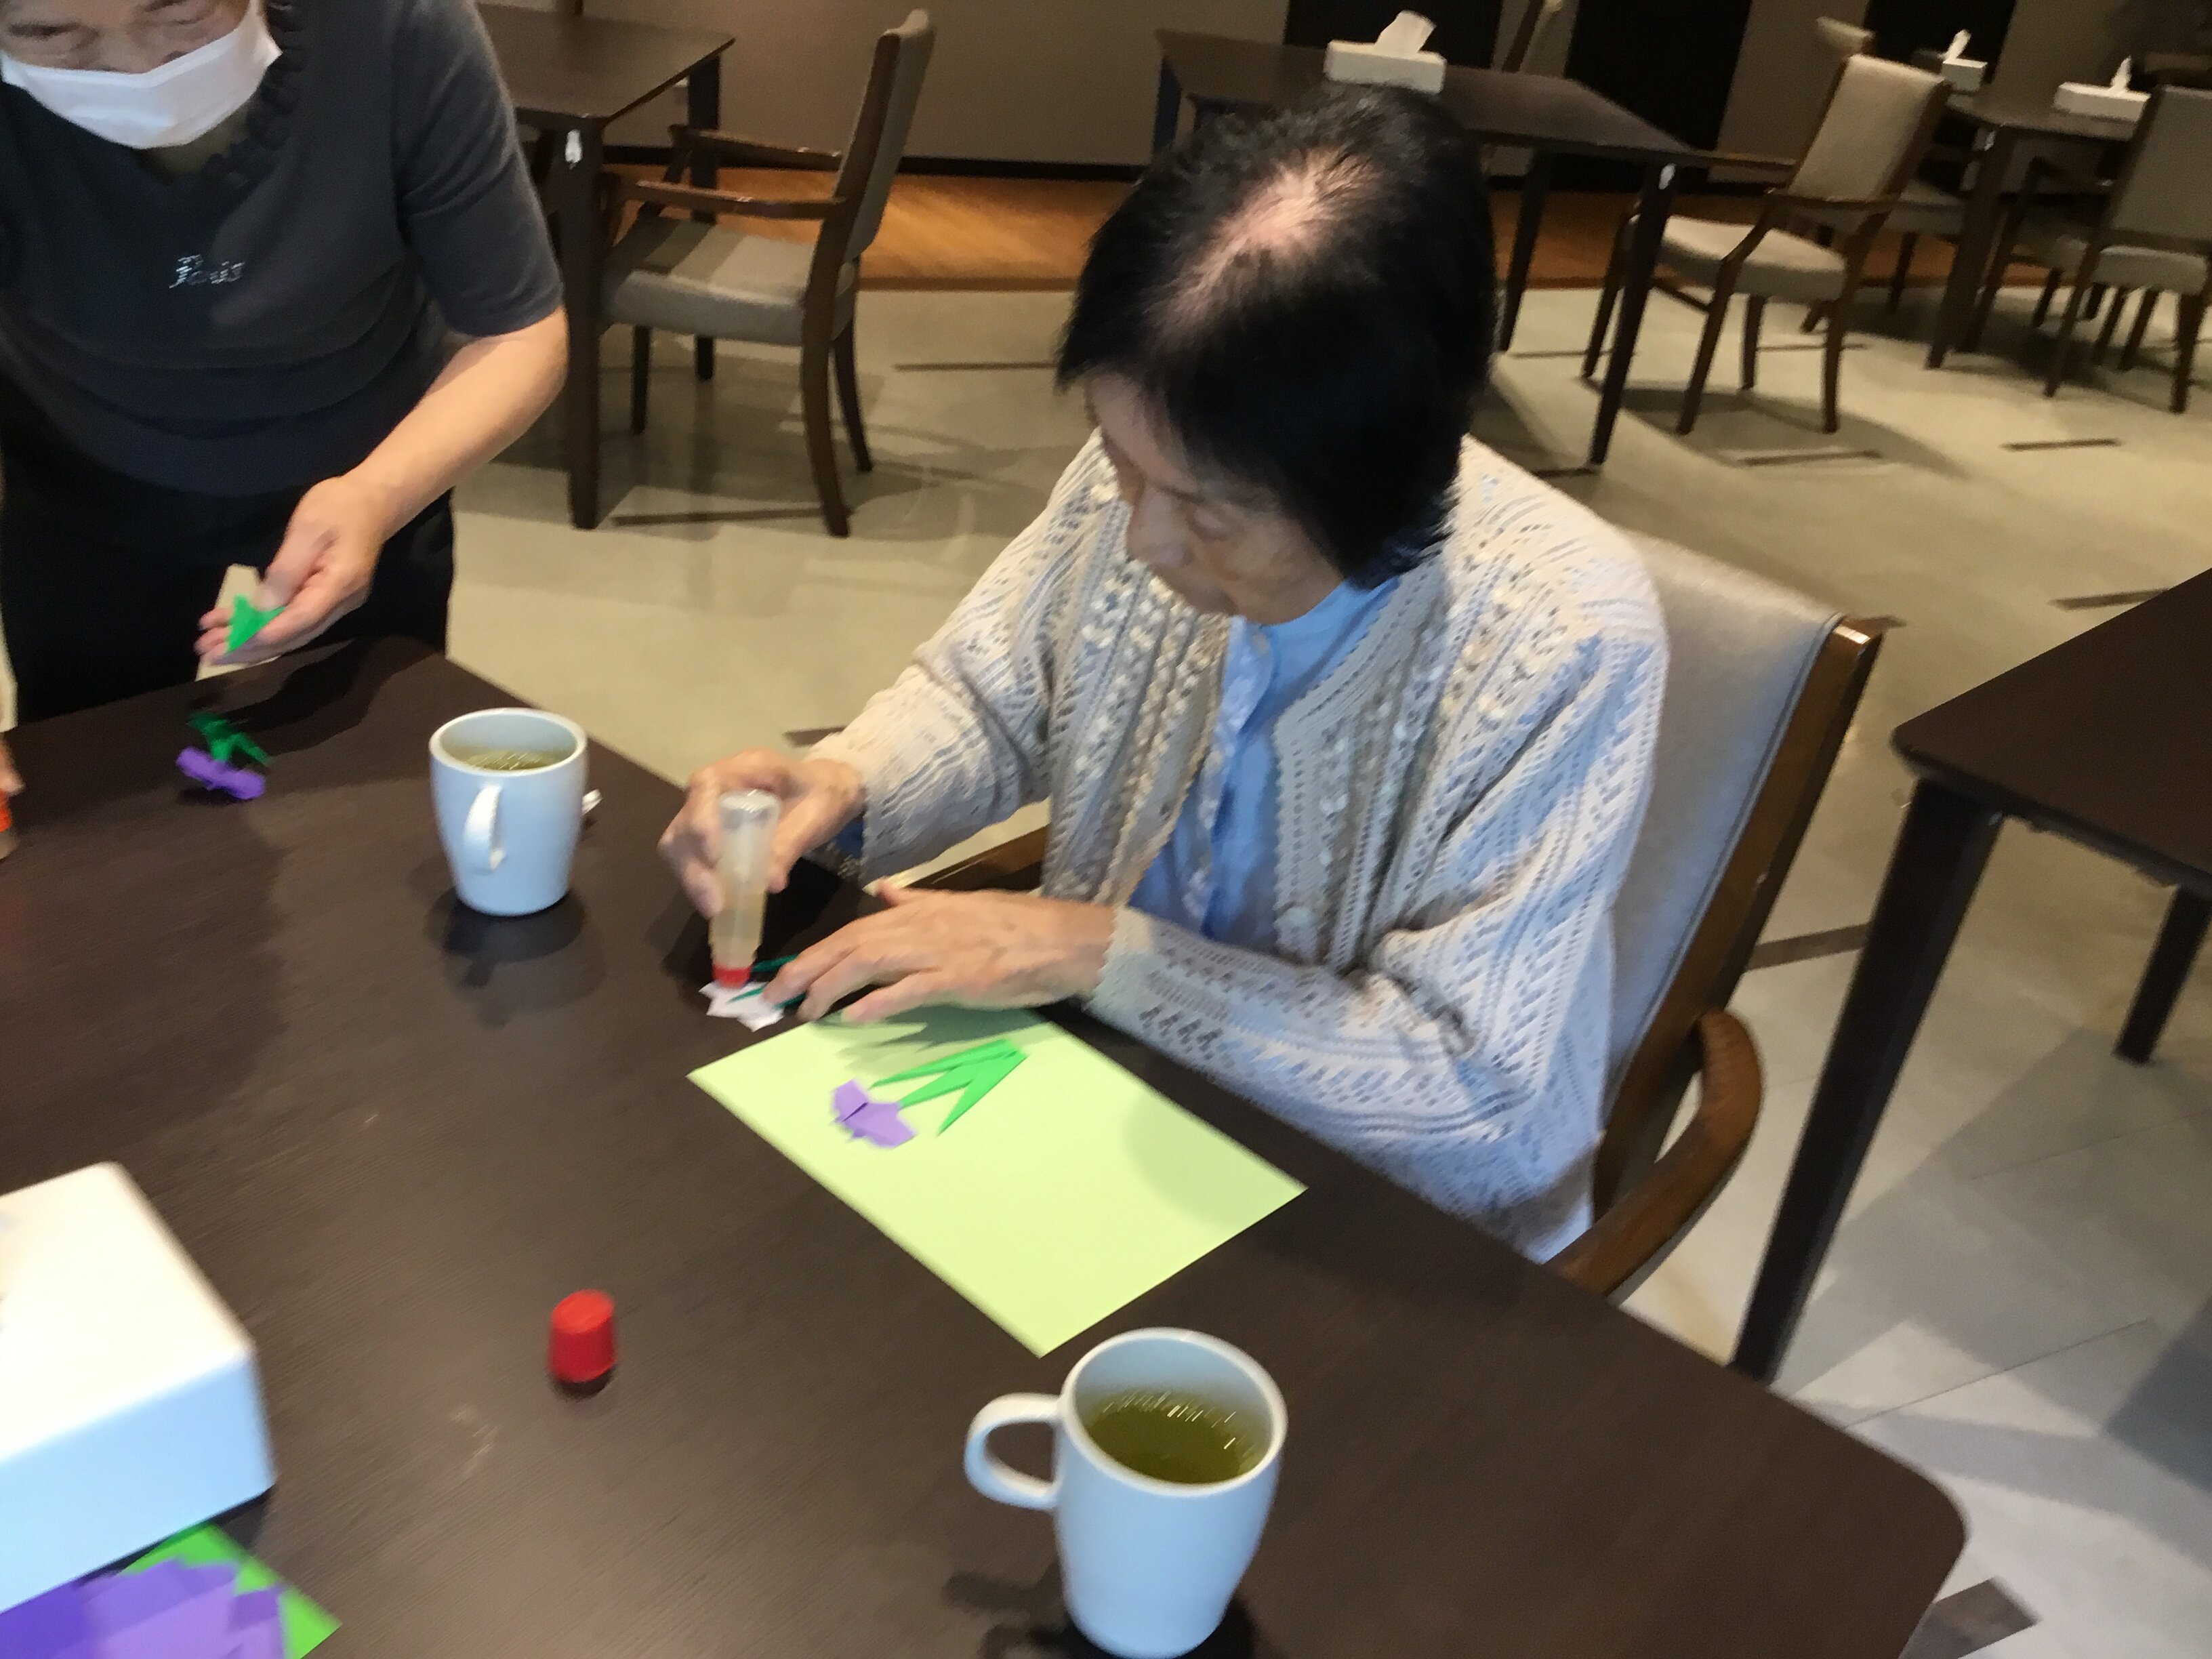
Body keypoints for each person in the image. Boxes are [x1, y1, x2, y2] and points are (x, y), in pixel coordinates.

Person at [661, 88, 1667, 1255]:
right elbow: (991, 697)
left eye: (1206, 509)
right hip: (1107, 1093)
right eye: (1119, 460)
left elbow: (1463, 1077)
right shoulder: (1148, 475)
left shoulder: (1565, 636)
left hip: (1392, 1217)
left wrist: (1093, 950)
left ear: (1373, 480)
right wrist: (845, 782)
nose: (1140, 534)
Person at [0, 0, 567, 800]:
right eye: (50, 34)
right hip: (78, 470)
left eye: (183, 13)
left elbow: (516, 331)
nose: (139, 70)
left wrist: (378, 494)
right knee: (89, 796)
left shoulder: (393, 28)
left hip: (366, 461)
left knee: (363, 787)